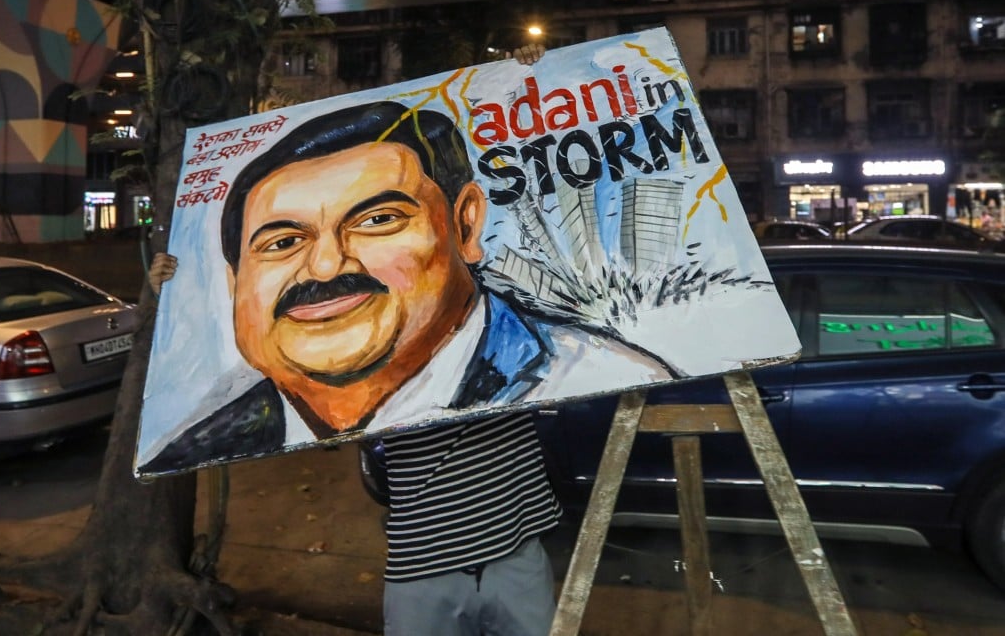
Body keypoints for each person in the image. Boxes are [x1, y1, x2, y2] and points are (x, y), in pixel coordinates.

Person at [143, 45, 670, 634]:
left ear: (465, 224)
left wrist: (526, 75)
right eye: (282, 241)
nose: (323, 267)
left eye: (377, 220)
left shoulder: (577, 365)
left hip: (515, 558)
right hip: (417, 570)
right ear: (236, 282)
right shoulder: (221, 426)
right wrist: (173, 284)